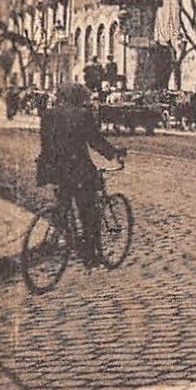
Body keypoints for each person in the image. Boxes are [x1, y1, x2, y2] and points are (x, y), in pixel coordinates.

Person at [37, 83, 126, 267]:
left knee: (63, 203)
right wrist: (114, 153)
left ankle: (61, 231)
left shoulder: (48, 115)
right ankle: (90, 255)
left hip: (53, 169)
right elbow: (95, 141)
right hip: (78, 171)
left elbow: (45, 145)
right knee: (89, 211)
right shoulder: (83, 115)